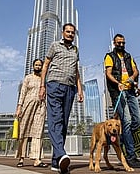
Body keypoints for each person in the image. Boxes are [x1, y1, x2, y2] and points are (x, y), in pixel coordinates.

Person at [39, 23, 84, 174]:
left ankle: (56, 161)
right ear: (63, 32)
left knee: (63, 124)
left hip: (70, 89)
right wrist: (42, 86)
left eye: (72, 32)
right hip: (54, 85)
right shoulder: (54, 45)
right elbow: (45, 65)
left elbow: (76, 71)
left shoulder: (76, 50)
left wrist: (79, 89)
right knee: (55, 120)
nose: (70, 34)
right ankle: (62, 154)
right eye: (68, 32)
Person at [104, 33, 140, 169]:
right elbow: (108, 74)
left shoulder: (129, 56)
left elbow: (135, 71)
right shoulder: (110, 56)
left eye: (123, 43)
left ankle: (122, 139)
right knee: (126, 121)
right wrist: (118, 83)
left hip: (130, 91)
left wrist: (133, 82)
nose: (121, 45)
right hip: (118, 92)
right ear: (114, 43)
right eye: (118, 43)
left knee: (138, 121)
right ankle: (130, 155)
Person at [15, 58, 48, 168]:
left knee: (38, 133)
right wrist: (19, 107)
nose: (38, 67)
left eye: (40, 65)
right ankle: (21, 158)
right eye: (36, 65)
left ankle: (37, 159)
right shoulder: (28, 78)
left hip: (40, 107)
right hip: (27, 106)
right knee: (24, 131)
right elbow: (23, 92)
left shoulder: (44, 80)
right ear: (33, 66)